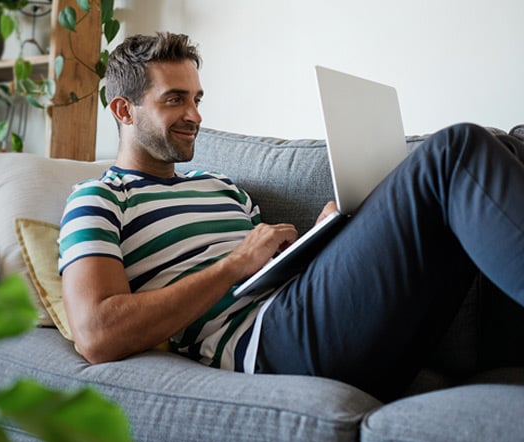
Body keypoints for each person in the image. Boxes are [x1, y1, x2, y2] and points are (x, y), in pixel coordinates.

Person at [57, 32, 524, 401]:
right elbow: (97, 334)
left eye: (198, 99)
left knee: (504, 146)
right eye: (175, 99)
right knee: (456, 149)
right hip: (270, 345)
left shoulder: (222, 187)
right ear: (123, 109)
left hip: (318, 317)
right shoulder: (99, 198)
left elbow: (274, 274)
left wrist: (326, 237)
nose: (195, 115)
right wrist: (235, 263)